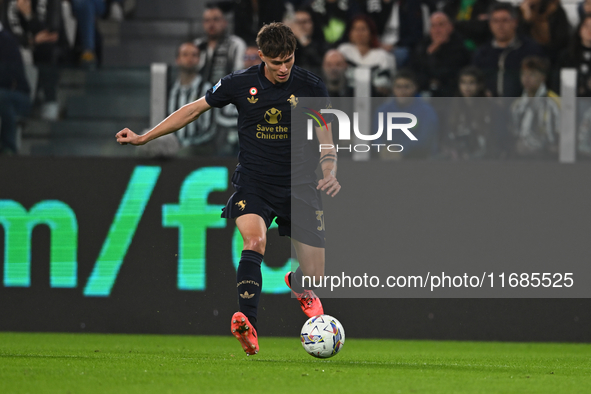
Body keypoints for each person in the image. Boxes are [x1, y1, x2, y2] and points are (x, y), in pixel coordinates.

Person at [115, 22, 340, 356]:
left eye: (288, 60)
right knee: (254, 240)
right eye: (275, 62)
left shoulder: (311, 86)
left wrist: (330, 168)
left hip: (301, 184)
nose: (282, 68)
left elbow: (325, 135)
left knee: (316, 275)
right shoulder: (240, 83)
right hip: (255, 182)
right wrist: (146, 136)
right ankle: (247, 323)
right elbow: (193, 109)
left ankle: (299, 284)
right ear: (261, 55)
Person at [194, 3, 246, 156]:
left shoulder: (235, 44)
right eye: (207, 20)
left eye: (216, 19)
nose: (211, 24)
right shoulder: (198, 46)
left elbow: (239, 74)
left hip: (228, 106)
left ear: (225, 22)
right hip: (202, 105)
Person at [473, 3, 545, 97]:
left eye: (505, 20)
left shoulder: (530, 49)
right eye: (495, 21)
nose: (500, 25)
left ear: (515, 22)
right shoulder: (482, 53)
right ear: (490, 24)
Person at [374, 69, 438, 159]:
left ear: (415, 87)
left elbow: (425, 139)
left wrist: (401, 150)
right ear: (393, 88)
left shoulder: (426, 111)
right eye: (398, 87)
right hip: (388, 158)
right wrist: (382, 148)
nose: (402, 91)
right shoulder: (383, 110)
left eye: (407, 87)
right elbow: (376, 135)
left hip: (418, 159)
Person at [439, 66, 500, 160]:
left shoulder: (491, 108)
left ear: (479, 85)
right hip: (456, 157)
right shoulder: (451, 107)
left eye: (471, 83)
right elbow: (446, 135)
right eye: (463, 82)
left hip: (484, 158)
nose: (467, 87)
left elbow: (497, 138)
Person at [410, 11, 471, 97]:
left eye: (441, 25)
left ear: (450, 27)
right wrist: (430, 53)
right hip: (424, 90)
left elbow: (450, 74)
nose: (437, 30)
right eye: (433, 26)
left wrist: (432, 56)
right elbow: (415, 71)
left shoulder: (460, 48)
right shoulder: (423, 46)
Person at [510, 55, 560, 158]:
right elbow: (513, 133)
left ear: (542, 78)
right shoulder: (516, 105)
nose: (526, 78)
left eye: (532, 75)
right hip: (522, 158)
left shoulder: (555, 103)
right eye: (524, 74)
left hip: (548, 158)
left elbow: (562, 135)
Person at [337, 14, 395, 96]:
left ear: (371, 33)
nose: (359, 33)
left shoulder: (382, 56)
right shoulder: (343, 51)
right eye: (355, 29)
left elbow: (385, 85)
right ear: (350, 33)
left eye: (363, 29)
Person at [0, 19, 31, 154]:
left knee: (2, 96)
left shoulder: (7, 42)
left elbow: (7, 77)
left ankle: (8, 147)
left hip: (18, 96)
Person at [517, 0, 570, 65]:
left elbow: (561, 39)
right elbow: (519, 39)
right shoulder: (521, 11)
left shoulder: (556, 11)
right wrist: (526, 21)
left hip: (552, 57)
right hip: (526, 58)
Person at [557, 14, 591, 97]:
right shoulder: (567, 55)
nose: (589, 30)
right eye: (586, 26)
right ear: (579, 29)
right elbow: (558, 82)